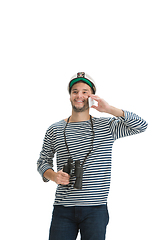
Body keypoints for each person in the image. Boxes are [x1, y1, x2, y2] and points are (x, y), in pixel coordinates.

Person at [37, 72, 148, 240]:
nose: (79, 95)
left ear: (92, 95)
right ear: (70, 96)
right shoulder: (55, 129)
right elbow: (42, 161)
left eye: (85, 91)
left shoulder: (107, 126)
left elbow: (141, 125)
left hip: (95, 209)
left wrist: (109, 109)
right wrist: (53, 176)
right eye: (75, 91)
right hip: (63, 208)